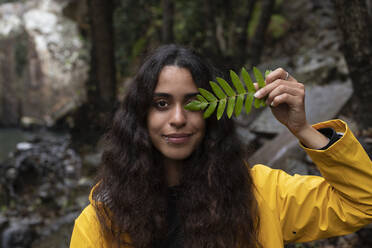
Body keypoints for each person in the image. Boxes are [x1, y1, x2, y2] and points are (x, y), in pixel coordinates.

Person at [69, 44, 372, 248]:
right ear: (140, 116)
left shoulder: (262, 195)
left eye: (192, 104)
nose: (177, 118)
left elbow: (362, 203)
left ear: (213, 113)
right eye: (161, 104)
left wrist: (302, 129)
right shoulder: (101, 221)